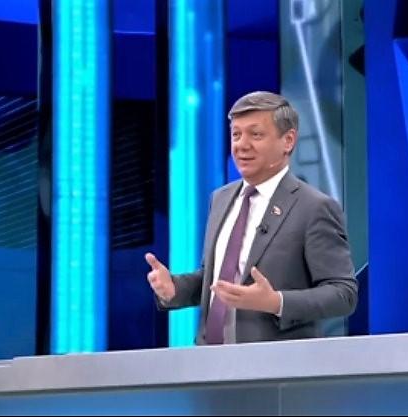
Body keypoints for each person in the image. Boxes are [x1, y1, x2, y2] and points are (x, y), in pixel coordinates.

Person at [145, 91, 358, 345]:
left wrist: (276, 302)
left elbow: (343, 293)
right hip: (208, 358)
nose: (242, 145)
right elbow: (216, 278)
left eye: (255, 135)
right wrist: (175, 288)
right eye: (236, 135)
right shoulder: (220, 199)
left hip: (274, 361)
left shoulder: (314, 207)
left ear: (288, 140)